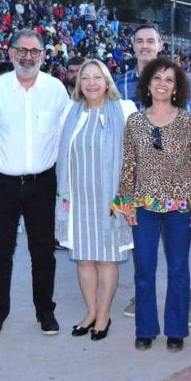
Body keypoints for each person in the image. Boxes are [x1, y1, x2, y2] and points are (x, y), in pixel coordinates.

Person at [113, 57, 191, 352]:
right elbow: (128, 164)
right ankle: (146, 329)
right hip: (143, 207)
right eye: (157, 78)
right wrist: (124, 201)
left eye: (169, 79)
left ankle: (177, 329)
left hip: (181, 209)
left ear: (177, 86)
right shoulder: (136, 122)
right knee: (144, 269)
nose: (163, 84)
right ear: (147, 84)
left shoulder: (188, 121)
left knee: (179, 269)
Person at [0, 29, 69, 338]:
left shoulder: (56, 89)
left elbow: (64, 137)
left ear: (44, 56)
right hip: (4, 183)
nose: (28, 56)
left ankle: (46, 312)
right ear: (10, 53)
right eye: (22, 50)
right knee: (0, 251)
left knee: (43, 252)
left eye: (35, 51)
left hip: (43, 183)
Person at [56, 59, 136, 341]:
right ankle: (89, 312)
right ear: (79, 83)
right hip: (77, 199)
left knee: (107, 259)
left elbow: (135, 156)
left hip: (110, 199)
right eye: (85, 78)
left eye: (97, 77)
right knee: (84, 259)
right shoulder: (70, 112)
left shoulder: (124, 110)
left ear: (107, 82)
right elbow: (60, 152)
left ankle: (104, 314)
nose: (91, 83)